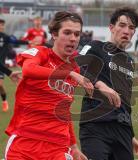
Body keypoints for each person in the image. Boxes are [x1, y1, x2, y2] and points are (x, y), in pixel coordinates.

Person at [5, 11, 93, 160]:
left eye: (77, 34)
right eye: (67, 32)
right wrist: (68, 74)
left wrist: (73, 146)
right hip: (25, 143)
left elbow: (64, 112)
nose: (72, 38)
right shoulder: (41, 53)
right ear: (54, 34)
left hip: (58, 147)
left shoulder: (74, 68)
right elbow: (28, 70)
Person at [78, 7, 138, 160]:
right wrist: (100, 84)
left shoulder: (129, 61)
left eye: (131, 27)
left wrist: (131, 135)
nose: (126, 30)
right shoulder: (95, 47)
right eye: (122, 25)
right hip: (95, 126)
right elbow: (77, 66)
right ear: (111, 27)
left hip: (122, 131)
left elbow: (125, 102)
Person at [0, 18, 28, 112]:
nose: (1, 26)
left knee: (0, 85)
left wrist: (28, 42)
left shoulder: (6, 37)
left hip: (1, 66)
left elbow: (16, 41)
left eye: (2, 25)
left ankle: (4, 101)